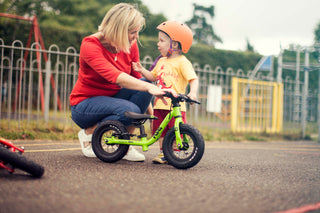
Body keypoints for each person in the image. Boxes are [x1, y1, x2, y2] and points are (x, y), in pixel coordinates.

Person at [69, 3, 172, 160]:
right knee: (130, 108)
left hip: (112, 99)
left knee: (146, 85)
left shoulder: (130, 44)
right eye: (133, 32)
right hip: (84, 105)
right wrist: (148, 88)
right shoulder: (90, 46)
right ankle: (88, 133)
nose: (136, 36)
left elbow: (138, 81)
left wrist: (152, 116)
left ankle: (126, 144)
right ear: (119, 30)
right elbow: (115, 77)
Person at [132, 21, 199, 164]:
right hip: (159, 105)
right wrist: (141, 70)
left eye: (161, 40)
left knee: (176, 130)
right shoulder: (161, 61)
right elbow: (152, 77)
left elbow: (193, 79)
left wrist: (192, 94)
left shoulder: (183, 62)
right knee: (160, 131)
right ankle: (164, 154)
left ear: (174, 44)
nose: (158, 44)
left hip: (176, 107)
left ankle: (173, 153)